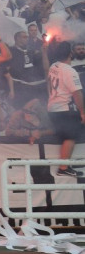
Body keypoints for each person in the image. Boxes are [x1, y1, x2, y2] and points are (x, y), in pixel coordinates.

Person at [45, 40, 85, 177]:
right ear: (70, 53)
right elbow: (77, 93)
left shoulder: (53, 66)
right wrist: (83, 112)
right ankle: (63, 167)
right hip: (64, 109)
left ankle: (38, 133)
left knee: (61, 133)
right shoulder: (70, 71)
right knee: (70, 136)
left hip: (52, 107)